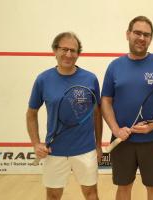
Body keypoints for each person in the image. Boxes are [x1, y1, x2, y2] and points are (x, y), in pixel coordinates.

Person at [101, 16, 153, 200]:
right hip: (122, 140)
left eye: (147, 34)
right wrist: (115, 129)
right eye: (137, 33)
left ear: (151, 39)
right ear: (128, 34)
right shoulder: (115, 66)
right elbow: (105, 100)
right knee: (123, 187)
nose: (142, 38)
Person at [26, 32, 102, 200]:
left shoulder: (90, 79)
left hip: (85, 149)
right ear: (55, 50)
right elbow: (31, 113)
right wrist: (36, 143)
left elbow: (97, 113)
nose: (68, 54)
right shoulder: (43, 79)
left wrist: (98, 144)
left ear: (78, 54)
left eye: (73, 51)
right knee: (53, 196)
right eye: (64, 49)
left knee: (91, 194)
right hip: (54, 150)